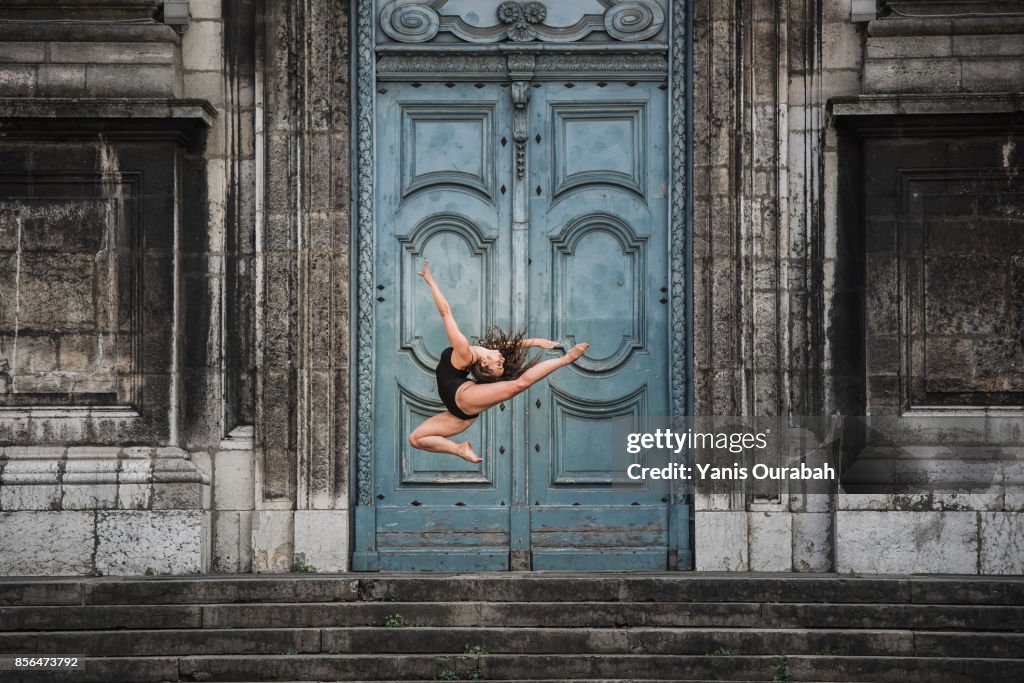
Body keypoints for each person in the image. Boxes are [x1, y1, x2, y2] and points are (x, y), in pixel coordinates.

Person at [408, 259, 589, 463]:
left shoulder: (464, 354)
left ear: (484, 365)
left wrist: (567, 359)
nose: (502, 358)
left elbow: (445, 313)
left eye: (499, 364)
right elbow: (506, 347)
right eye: (500, 363)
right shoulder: (487, 353)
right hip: (458, 411)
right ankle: (459, 449)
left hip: (463, 401)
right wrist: (535, 342)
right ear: (484, 361)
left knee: (517, 385)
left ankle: (565, 360)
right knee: (415, 439)